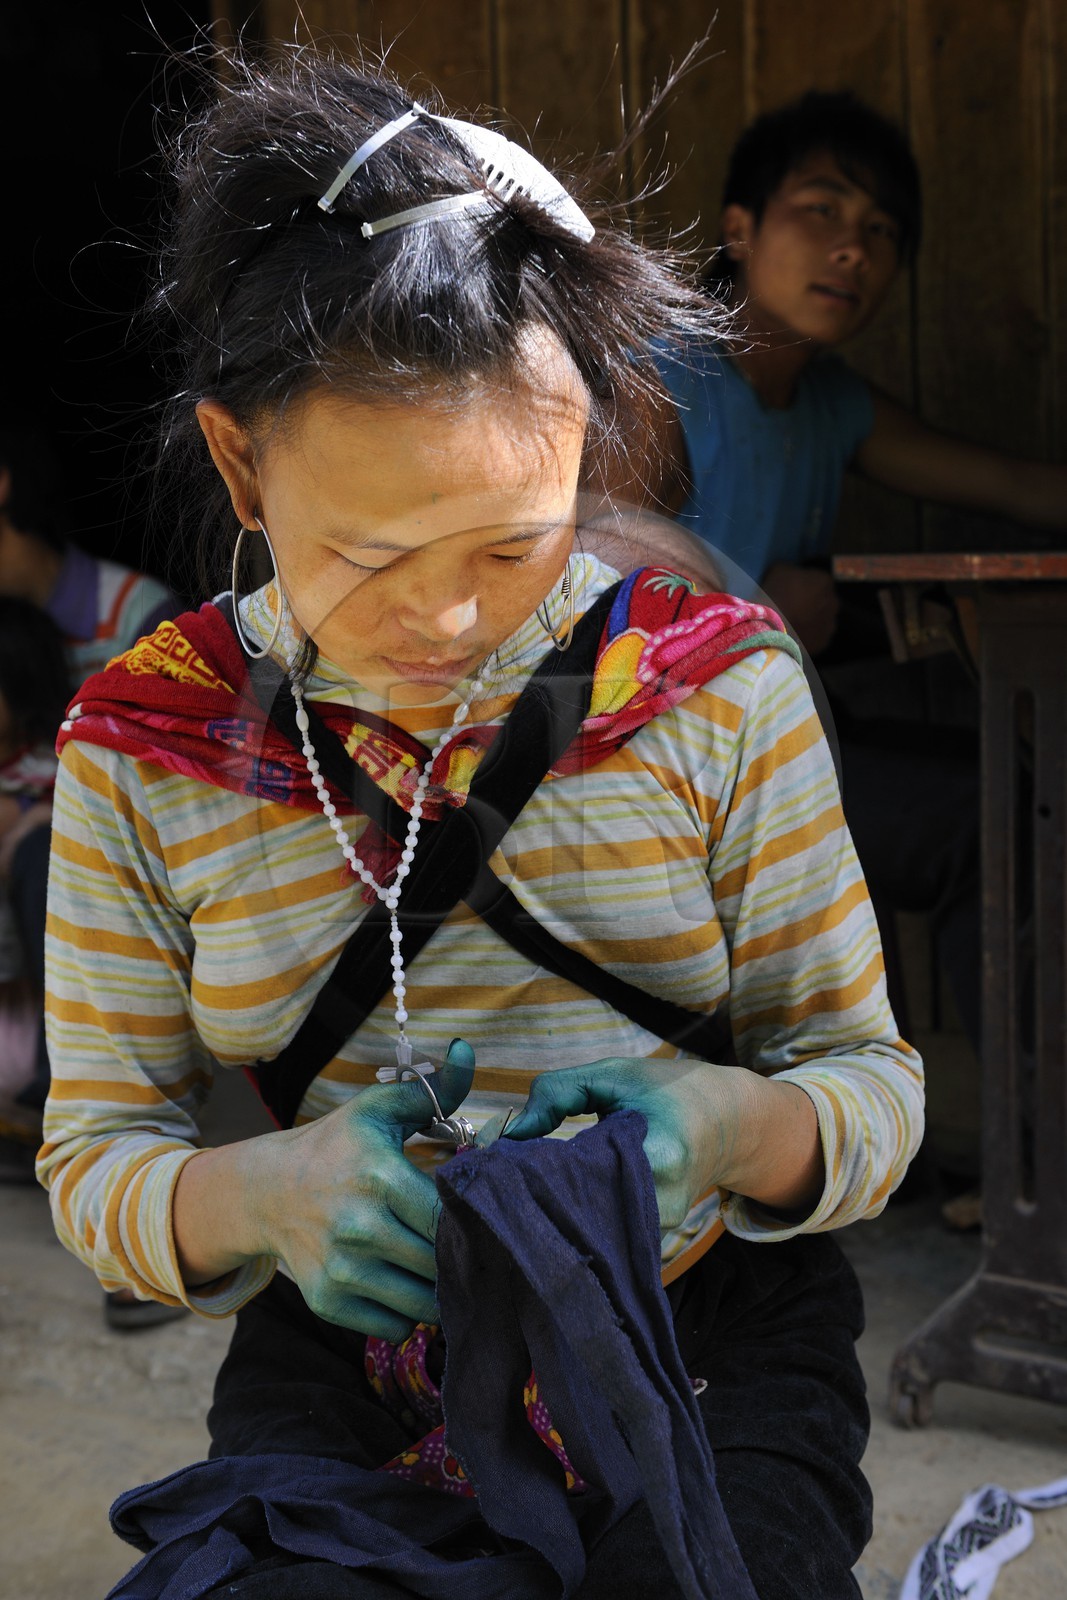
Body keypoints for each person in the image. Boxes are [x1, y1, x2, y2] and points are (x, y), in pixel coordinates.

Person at [39, 52, 923, 1599]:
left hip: (711, 1331)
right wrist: (262, 1198)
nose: (446, 622)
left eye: (515, 545)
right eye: (373, 554)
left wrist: (715, 1132)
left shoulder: (711, 688)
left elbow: (864, 1086)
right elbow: (100, 1156)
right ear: (243, 462)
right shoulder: (144, 749)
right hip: (344, 1358)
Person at [615, 92, 1067, 1094]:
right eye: (819, 211)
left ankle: (1012, 1157)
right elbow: (580, 603)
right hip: (664, 770)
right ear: (736, 228)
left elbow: (1012, 485)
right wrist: (759, 615)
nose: (851, 250)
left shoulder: (831, 405)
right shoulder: (660, 379)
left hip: (781, 745)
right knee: (979, 818)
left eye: (879, 232)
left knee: (1014, 789)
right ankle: (1029, 1164)